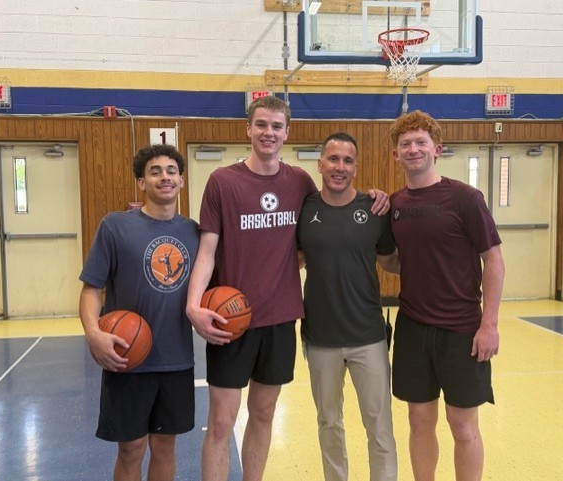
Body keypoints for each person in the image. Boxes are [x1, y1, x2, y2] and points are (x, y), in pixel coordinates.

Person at [185, 95, 389, 481]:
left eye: (277, 126)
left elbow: (332, 215)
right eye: (261, 124)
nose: (269, 132)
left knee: (263, 415)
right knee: (222, 420)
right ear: (248, 129)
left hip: (280, 320)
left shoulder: (299, 183)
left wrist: (377, 196)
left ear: (286, 133)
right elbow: (207, 252)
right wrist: (193, 305)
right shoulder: (222, 182)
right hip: (231, 322)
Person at [387, 110, 505, 481]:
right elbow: (394, 263)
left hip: (462, 330)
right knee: (419, 420)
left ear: (437, 149)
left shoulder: (466, 198)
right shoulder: (395, 204)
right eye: (405, 143)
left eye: (421, 142)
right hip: (412, 329)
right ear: (395, 154)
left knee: (463, 424)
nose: (413, 148)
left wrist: (489, 325)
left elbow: (494, 261)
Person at [79, 144, 200, 481]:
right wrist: (93, 332)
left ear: (182, 181)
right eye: (155, 171)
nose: (165, 177)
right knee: (131, 448)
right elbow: (91, 289)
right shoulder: (115, 227)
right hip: (127, 356)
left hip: (176, 360)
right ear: (142, 183)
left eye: (171, 171)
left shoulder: (195, 232)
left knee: (164, 445)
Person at [297, 132, 399, 481]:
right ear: (321, 163)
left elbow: (390, 261)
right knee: (328, 423)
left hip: (368, 335)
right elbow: (290, 259)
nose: (340, 167)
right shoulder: (305, 208)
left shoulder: (374, 209)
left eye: (347, 161)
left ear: (356, 167)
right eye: (333, 159)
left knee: (380, 427)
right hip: (320, 336)